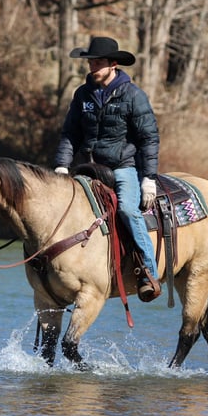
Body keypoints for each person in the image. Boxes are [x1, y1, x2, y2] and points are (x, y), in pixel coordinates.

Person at [54, 36, 161, 302]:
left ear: (113, 64)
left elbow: (149, 138)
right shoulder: (82, 94)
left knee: (127, 210)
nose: (92, 67)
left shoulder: (133, 95)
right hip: (87, 166)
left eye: (98, 62)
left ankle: (149, 272)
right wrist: (62, 166)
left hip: (122, 166)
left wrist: (148, 178)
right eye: (91, 62)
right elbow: (70, 134)